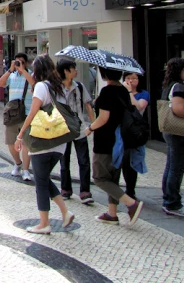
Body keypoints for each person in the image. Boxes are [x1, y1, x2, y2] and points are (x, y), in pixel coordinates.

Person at [15, 55, 75, 234]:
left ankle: (44, 223)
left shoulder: (41, 86)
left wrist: (20, 134)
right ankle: (65, 212)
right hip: (59, 141)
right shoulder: (59, 87)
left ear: (38, 70)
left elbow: (33, 112)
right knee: (43, 178)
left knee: (40, 183)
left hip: (43, 139)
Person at [85, 67, 144, 226]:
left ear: (104, 75)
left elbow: (103, 118)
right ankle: (112, 213)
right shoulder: (124, 91)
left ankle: (131, 204)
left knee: (99, 178)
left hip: (106, 140)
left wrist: (90, 128)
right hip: (121, 140)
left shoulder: (106, 92)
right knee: (113, 177)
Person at [160, 57, 184, 217]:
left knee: (171, 166)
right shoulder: (178, 87)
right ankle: (172, 202)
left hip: (170, 131)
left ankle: (169, 198)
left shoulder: (169, 85)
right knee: (176, 168)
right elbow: (178, 109)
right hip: (178, 132)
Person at [56, 59, 95, 204]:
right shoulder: (56, 88)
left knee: (84, 160)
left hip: (79, 128)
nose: (76, 71)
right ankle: (65, 189)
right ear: (66, 71)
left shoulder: (79, 86)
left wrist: (93, 125)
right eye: (73, 68)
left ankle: (85, 191)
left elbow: (88, 105)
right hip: (62, 129)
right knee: (64, 160)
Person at [0, 53, 35, 182]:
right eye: (17, 62)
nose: (19, 64)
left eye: (22, 62)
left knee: (26, 144)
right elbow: (1, 83)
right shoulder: (11, 75)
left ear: (26, 63)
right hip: (12, 114)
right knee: (10, 142)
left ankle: (26, 170)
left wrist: (23, 71)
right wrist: (10, 69)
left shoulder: (30, 74)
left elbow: (34, 84)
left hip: (27, 113)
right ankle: (18, 163)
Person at [122, 72, 150, 199]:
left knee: (133, 160)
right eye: (128, 78)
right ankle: (127, 189)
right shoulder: (120, 92)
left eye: (134, 78)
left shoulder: (143, 94)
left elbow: (139, 107)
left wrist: (128, 92)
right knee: (123, 160)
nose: (131, 81)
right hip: (122, 130)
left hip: (136, 131)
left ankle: (130, 190)